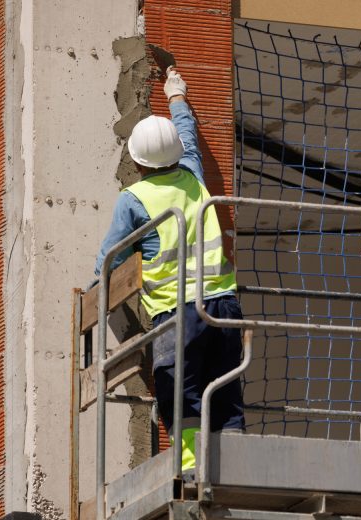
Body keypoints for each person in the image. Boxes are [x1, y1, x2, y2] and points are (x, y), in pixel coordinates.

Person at [94, 67, 244, 472]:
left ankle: (194, 466)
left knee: (180, 391)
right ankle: (235, 463)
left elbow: (110, 258)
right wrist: (175, 93)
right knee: (225, 386)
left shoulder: (134, 199)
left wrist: (96, 292)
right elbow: (187, 134)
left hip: (178, 314)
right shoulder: (194, 176)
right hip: (224, 306)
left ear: (137, 162)